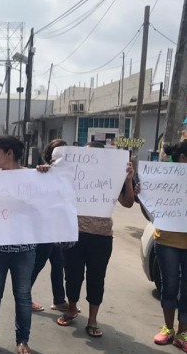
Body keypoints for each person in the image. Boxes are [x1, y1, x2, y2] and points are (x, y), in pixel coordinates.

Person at [0, 135, 45, 354]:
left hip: (24, 251)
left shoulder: (33, 177)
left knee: (23, 296)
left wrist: (48, 174)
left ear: (10, 154)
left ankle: (22, 340)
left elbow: (48, 204)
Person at [56, 143, 136, 338]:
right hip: (73, 234)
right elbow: (53, 188)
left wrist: (128, 180)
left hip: (101, 236)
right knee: (72, 276)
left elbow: (128, 203)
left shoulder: (111, 174)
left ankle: (93, 319)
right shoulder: (72, 172)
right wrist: (50, 168)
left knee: (97, 278)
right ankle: (72, 308)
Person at [152, 141, 187, 354]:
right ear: (183, 158)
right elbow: (150, 205)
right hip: (167, 240)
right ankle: (168, 328)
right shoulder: (163, 179)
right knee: (170, 284)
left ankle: (183, 333)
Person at [30, 139, 69, 313]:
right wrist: (42, 171)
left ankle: (59, 300)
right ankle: (24, 298)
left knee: (58, 263)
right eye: (57, 153)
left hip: (58, 229)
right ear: (50, 155)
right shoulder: (43, 171)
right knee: (38, 264)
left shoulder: (68, 174)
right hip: (44, 228)